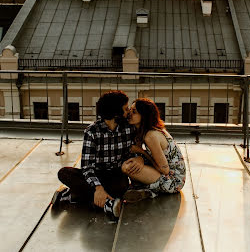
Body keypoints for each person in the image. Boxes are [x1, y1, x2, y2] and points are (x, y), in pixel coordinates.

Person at [52, 90, 144, 219]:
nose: (128, 111)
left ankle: (70, 195)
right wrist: (98, 188)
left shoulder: (129, 128)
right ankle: (107, 204)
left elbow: (133, 152)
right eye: (126, 108)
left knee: (122, 186)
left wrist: (139, 158)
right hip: (95, 175)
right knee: (64, 173)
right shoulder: (92, 132)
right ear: (115, 112)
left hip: (115, 176)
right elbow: (86, 166)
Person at [121, 98, 186, 202]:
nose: (130, 114)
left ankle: (148, 190)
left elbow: (165, 169)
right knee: (132, 163)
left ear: (144, 115)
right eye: (130, 110)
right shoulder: (145, 131)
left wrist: (142, 152)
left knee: (127, 167)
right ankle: (146, 189)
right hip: (167, 174)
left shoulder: (150, 136)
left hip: (173, 181)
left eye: (134, 112)